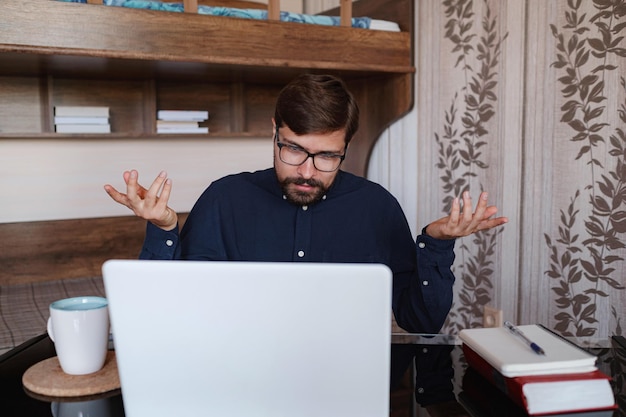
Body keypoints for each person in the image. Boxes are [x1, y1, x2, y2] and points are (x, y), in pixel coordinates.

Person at [104, 73, 507, 334]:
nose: (308, 172)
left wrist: (435, 244)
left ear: (346, 146)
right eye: (294, 150)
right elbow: (167, 311)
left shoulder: (378, 209)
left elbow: (422, 322)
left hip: (346, 383)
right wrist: (163, 229)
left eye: (327, 156)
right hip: (237, 377)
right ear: (274, 132)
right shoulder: (223, 200)